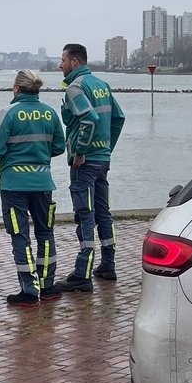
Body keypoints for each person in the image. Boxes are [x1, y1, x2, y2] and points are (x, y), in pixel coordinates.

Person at [0, 69, 66, 307]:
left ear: (16, 88)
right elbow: (59, 147)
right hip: (43, 183)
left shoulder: (8, 113)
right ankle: (48, 286)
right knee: (46, 234)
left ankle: (29, 291)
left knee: (20, 236)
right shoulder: (50, 113)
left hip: (14, 185)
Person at [55, 43, 125, 293]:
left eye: (63, 60)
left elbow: (89, 118)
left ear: (74, 62)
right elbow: (118, 118)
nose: (60, 65)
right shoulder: (102, 84)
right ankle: (108, 265)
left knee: (84, 214)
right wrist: (106, 148)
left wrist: (81, 151)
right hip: (102, 160)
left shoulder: (75, 88)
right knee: (103, 212)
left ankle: (82, 274)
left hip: (84, 162)